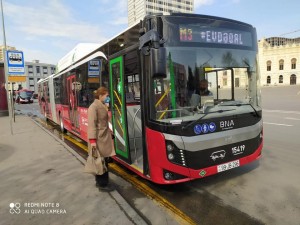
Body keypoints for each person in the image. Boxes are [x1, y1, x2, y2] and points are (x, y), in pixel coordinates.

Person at [87, 87, 114, 191]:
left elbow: (106, 120)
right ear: (100, 96)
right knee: (99, 162)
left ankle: (103, 182)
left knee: (104, 161)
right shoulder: (93, 107)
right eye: (107, 96)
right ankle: (102, 184)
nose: (108, 98)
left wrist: (106, 107)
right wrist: (93, 141)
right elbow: (91, 125)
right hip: (98, 139)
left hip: (104, 137)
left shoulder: (101, 106)